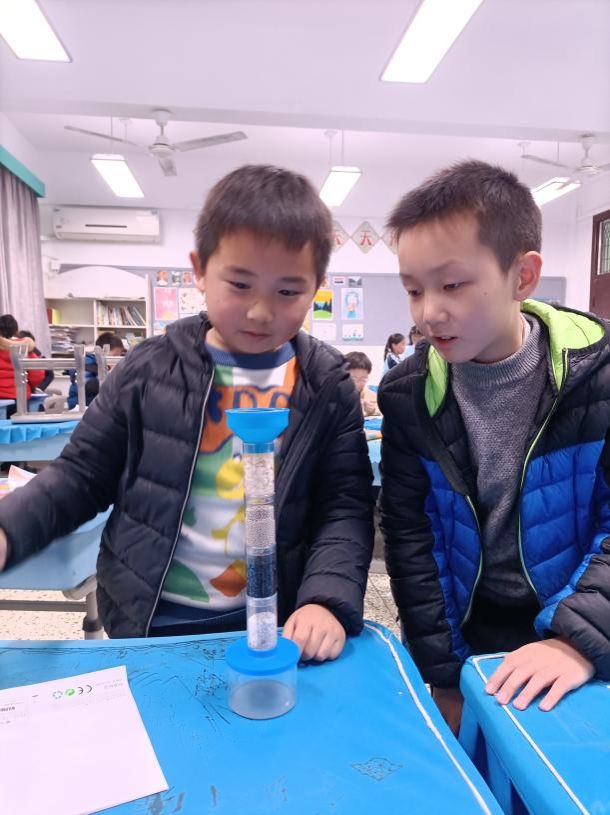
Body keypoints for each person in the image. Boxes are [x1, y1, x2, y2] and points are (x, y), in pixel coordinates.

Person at [0, 165, 373, 662]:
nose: (261, 312)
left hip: (279, 624)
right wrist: (8, 529)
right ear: (200, 270)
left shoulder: (326, 383)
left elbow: (343, 507)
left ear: (316, 286)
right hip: (151, 619)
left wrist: (326, 599)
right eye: (240, 284)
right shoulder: (148, 368)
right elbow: (80, 477)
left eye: (288, 291)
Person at [379, 159, 610, 734]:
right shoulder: (408, 395)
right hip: (471, 628)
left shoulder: (600, 378)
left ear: (522, 276)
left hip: (582, 626)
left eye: (452, 285)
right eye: (413, 290)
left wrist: (576, 638)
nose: (428, 312)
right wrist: (443, 672)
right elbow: (412, 540)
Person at [67, 331, 125, 409]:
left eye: (119, 356)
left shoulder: (106, 365)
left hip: (97, 407)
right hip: (79, 406)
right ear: (102, 351)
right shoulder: (87, 362)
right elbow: (87, 388)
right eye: (114, 355)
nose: (116, 359)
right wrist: (109, 375)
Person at [0, 314, 45, 414]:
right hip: (19, 398)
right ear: (16, 331)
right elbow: (37, 374)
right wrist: (29, 386)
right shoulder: (25, 348)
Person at [344, 351, 379, 417]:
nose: (357, 384)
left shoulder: (369, 394)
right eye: (353, 379)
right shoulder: (334, 394)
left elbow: (381, 409)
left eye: (363, 379)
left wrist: (372, 410)